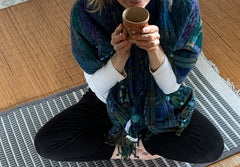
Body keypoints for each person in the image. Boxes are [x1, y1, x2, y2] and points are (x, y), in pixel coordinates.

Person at [34, 0, 224, 163]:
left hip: (159, 101)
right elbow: (97, 86)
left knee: (210, 146)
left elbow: (171, 87)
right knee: (47, 142)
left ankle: (137, 142)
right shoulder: (86, 11)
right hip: (112, 99)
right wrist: (119, 57)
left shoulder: (182, 7)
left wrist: (155, 51)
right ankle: (128, 148)